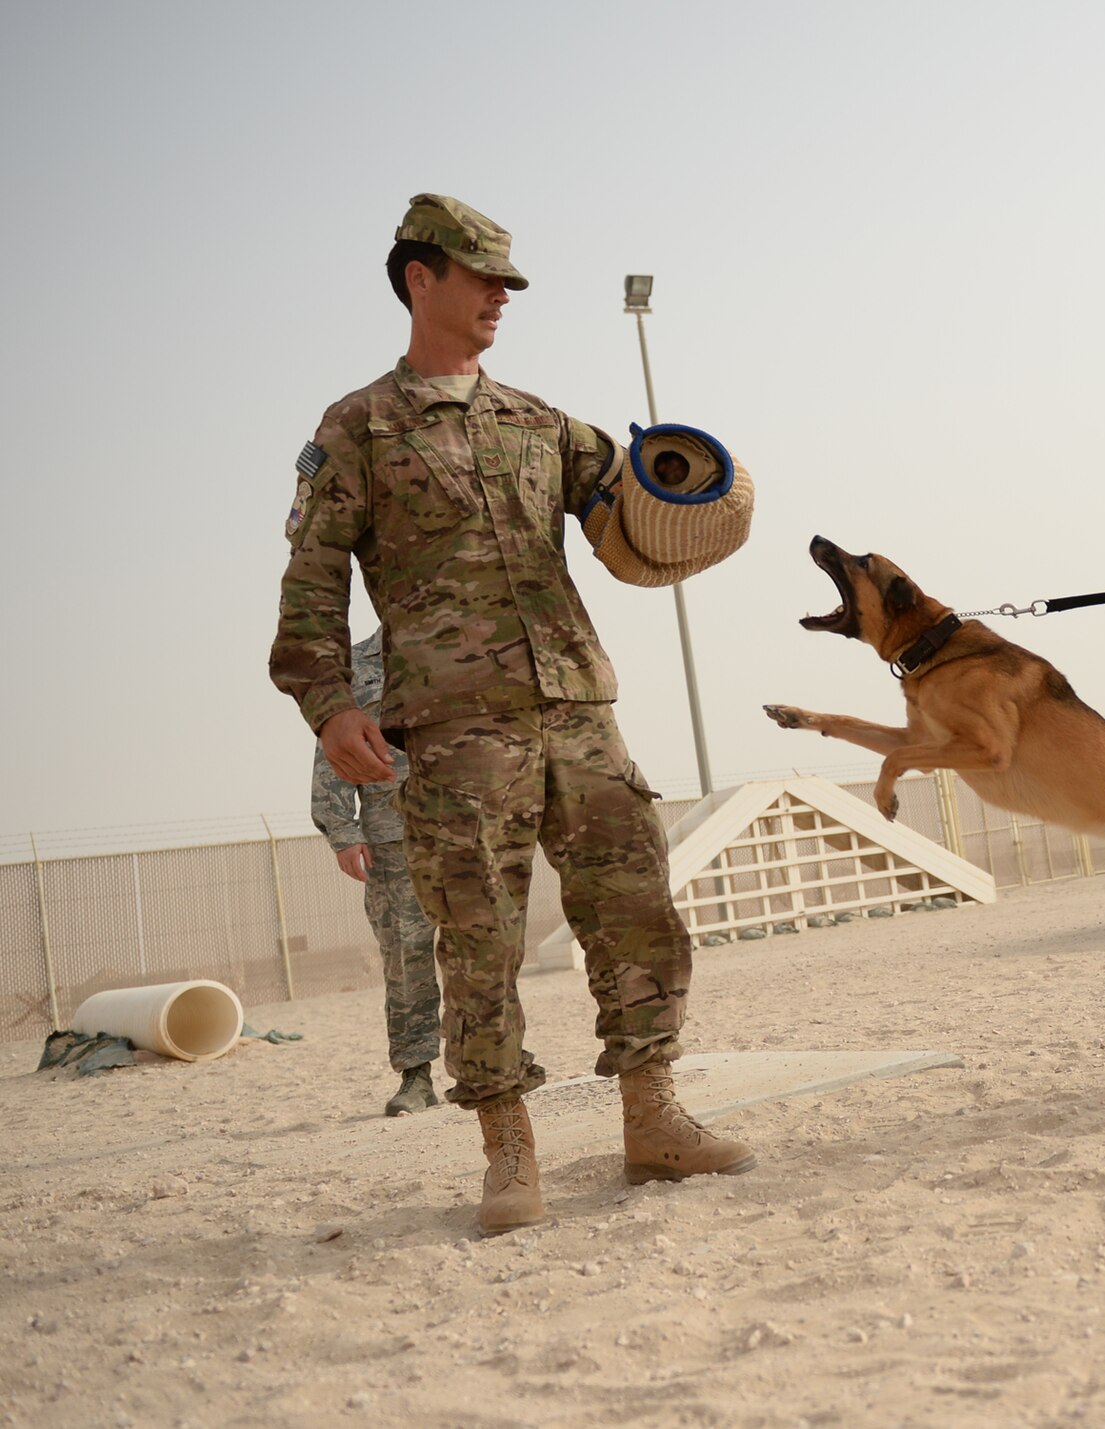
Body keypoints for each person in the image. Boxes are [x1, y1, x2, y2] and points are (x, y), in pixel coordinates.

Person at [271, 194, 757, 1235]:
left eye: (507, 281)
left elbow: (636, 524)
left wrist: (687, 491)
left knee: (633, 905)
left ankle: (652, 1117)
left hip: (577, 705)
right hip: (453, 725)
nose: (500, 296)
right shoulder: (357, 427)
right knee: (476, 938)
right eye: (482, 276)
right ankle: (508, 1148)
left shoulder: (541, 424)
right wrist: (323, 704)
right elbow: (311, 581)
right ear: (420, 279)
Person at [310, 627, 443, 1117]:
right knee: (406, 958)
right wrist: (342, 830)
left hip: (467, 824)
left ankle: (494, 1059)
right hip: (393, 837)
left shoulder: (457, 638)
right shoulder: (356, 663)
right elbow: (335, 748)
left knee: (485, 945)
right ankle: (417, 1075)